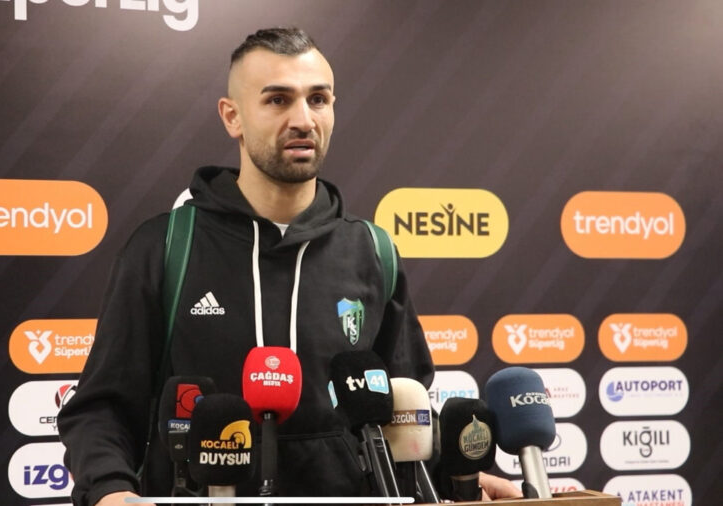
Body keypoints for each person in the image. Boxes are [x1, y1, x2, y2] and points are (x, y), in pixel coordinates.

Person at [58, 27, 519, 506]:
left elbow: (405, 409)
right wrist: (111, 491)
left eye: (318, 99)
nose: (303, 120)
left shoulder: (372, 250)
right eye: (278, 100)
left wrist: (456, 477)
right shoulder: (164, 246)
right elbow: (102, 407)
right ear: (232, 116)